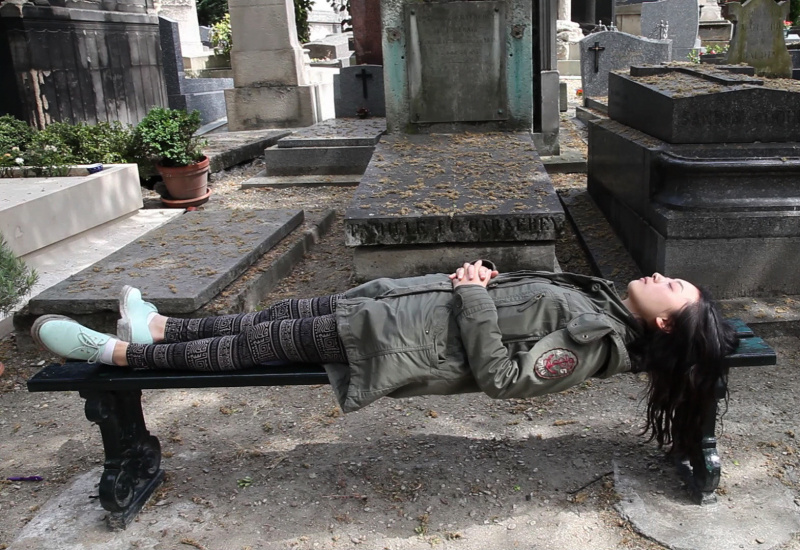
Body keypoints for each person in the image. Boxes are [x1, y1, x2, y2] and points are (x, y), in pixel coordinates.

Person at [31, 260, 737, 457]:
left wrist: (474, 296)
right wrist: (485, 282)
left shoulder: (594, 344)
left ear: (665, 321)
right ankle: (157, 326)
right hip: (392, 306)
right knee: (268, 320)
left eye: (673, 287)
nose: (661, 275)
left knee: (248, 349)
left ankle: (118, 354)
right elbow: (516, 309)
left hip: (392, 340)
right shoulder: (604, 301)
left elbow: (503, 379)